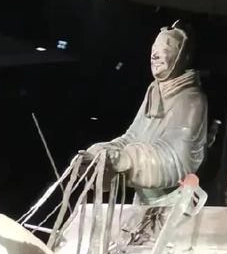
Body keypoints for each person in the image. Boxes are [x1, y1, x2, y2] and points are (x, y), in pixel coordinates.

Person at [86, 22, 208, 203]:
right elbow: (133, 137)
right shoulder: (155, 91)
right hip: (144, 201)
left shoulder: (192, 99)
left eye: (165, 49)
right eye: (153, 49)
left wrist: (127, 160)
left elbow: (176, 160)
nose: (155, 55)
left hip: (172, 206)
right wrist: (105, 151)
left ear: (184, 56)